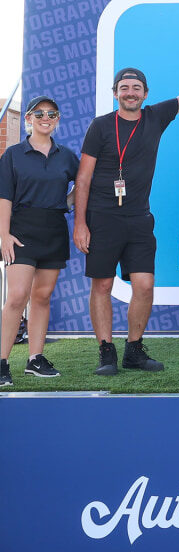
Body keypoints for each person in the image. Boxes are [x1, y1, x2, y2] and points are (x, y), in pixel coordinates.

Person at [73, 68, 179, 376]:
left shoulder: (155, 116)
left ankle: (134, 351)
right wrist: (80, 224)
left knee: (144, 285)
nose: (130, 92)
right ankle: (106, 353)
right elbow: (83, 179)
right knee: (101, 284)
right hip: (101, 218)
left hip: (139, 219)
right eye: (124, 87)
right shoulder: (100, 127)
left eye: (136, 87)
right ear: (116, 93)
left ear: (145, 93)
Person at [0, 96, 79, 386]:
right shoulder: (13, 155)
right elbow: (4, 197)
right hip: (21, 232)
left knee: (42, 296)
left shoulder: (67, 156)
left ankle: (35, 359)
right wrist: (4, 234)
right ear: (29, 119)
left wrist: (67, 202)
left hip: (53, 230)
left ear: (57, 119)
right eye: (39, 113)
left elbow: (82, 185)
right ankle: (2, 362)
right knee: (17, 297)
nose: (46, 117)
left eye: (52, 113)